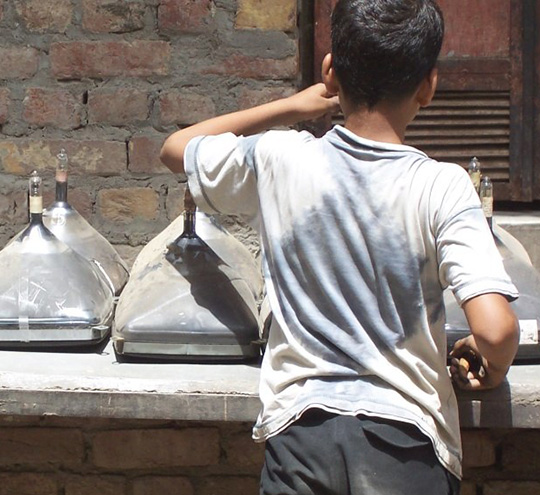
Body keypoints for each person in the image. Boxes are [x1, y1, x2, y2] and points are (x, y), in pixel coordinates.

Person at [159, 0, 520, 493]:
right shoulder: (443, 186)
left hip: (300, 442)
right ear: (429, 86)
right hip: (406, 446)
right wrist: (489, 364)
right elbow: (496, 331)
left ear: (331, 73)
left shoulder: (279, 159)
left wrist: (290, 106)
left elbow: (175, 149)